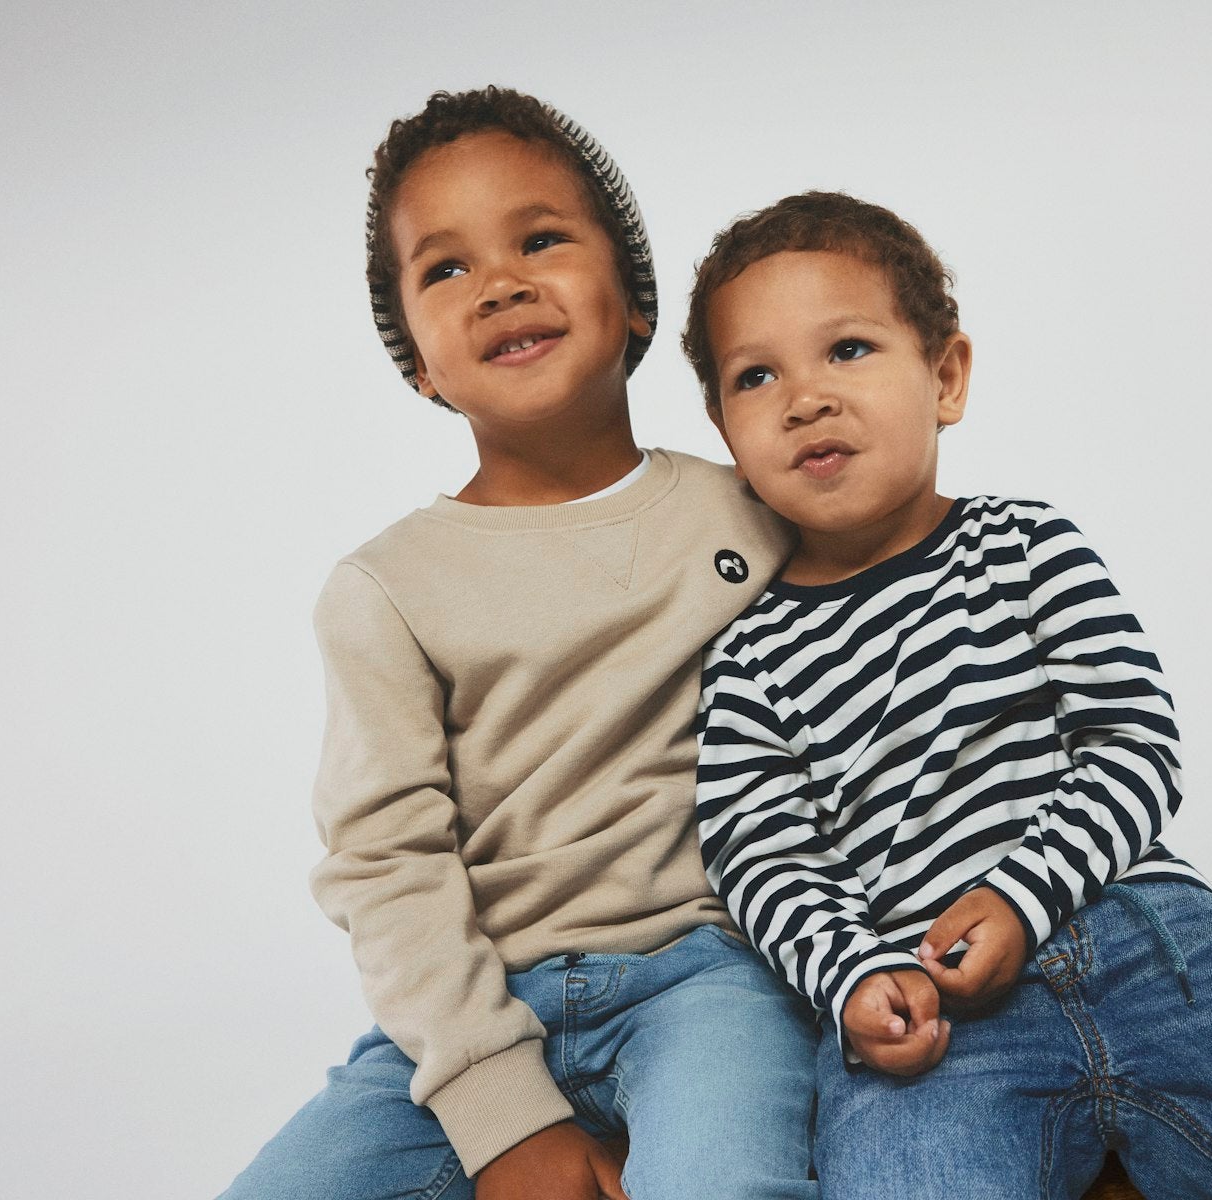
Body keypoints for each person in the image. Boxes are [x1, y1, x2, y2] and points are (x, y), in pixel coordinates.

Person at [684, 191, 1212, 1199]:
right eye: (756, 376)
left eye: (849, 350)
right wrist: (856, 976)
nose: (805, 398)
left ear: (946, 378)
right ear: (725, 431)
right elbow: (761, 853)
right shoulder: (746, 654)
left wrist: (1020, 894)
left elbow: (1134, 745)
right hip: (928, 1011)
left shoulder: (1026, 544)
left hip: (1150, 944)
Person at [220, 88, 817, 1200]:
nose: (500, 283)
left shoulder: (756, 512)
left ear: (633, 301)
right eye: (446, 269)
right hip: (473, 1011)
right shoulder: (386, 589)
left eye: (540, 240)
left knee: (725, 1181)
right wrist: (500, 1114)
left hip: (711, 985)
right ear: (418, 363)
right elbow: (387, 862)